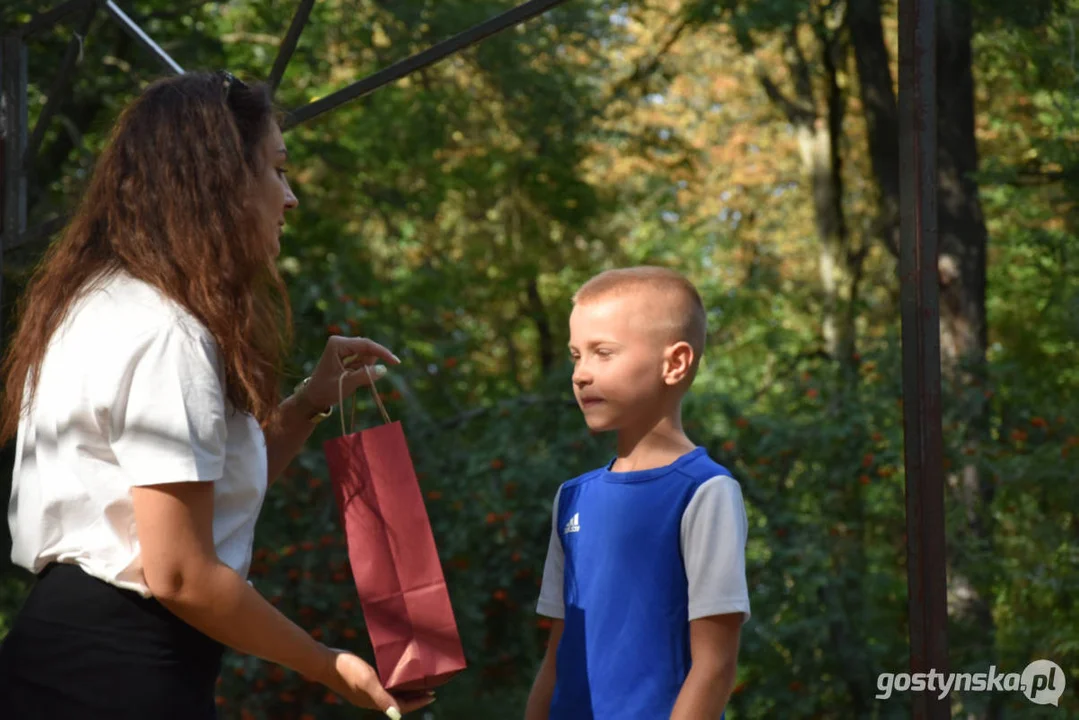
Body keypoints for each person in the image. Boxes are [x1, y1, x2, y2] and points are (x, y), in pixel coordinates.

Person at [0, 71, 432, 719]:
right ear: (218, 180)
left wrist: (308, 404)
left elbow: (191, 501)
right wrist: (326, 663)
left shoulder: (99, 303)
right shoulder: (168, 331)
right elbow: (178, 572)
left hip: (72, 659)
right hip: (115, 678)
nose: (289, 198)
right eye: (278, 170)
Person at [523, 266, 752, 719]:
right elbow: (557, 655)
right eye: (576, 356)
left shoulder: (706, 492)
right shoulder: (572, 498)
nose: (582, 374)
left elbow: (715, 665)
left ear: (676, 363)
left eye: (602, 353)